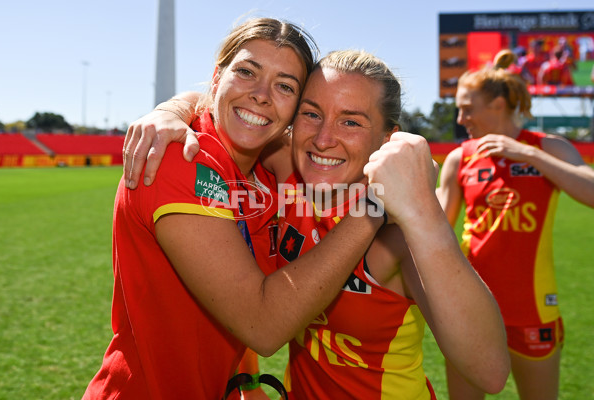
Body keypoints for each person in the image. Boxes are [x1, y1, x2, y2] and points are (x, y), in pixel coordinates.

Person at [124, 49, 510, 399]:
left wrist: (426, 214)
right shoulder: (284, 164)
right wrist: (170, 110)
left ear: (385, 139)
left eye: (351, 122)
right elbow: (227, 106)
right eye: (311, 114)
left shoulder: (395, 235)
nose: (324, 139)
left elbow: (490, 371)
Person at [84, 18, 392, 400]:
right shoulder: (181, 157)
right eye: (246, 72)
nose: (262, 95)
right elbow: (261, 324)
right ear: (217, 77)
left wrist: (243, 379)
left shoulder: (266, 168)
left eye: (285, 86)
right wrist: (374, 207)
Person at [437, 51, 594, 400]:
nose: (461, 118)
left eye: (467, 108)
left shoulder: (549, 148)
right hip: (470, 307)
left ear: (496, 104)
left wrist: (530, 155)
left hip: (533, 308)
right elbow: (437, 229)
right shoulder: (459, 157)